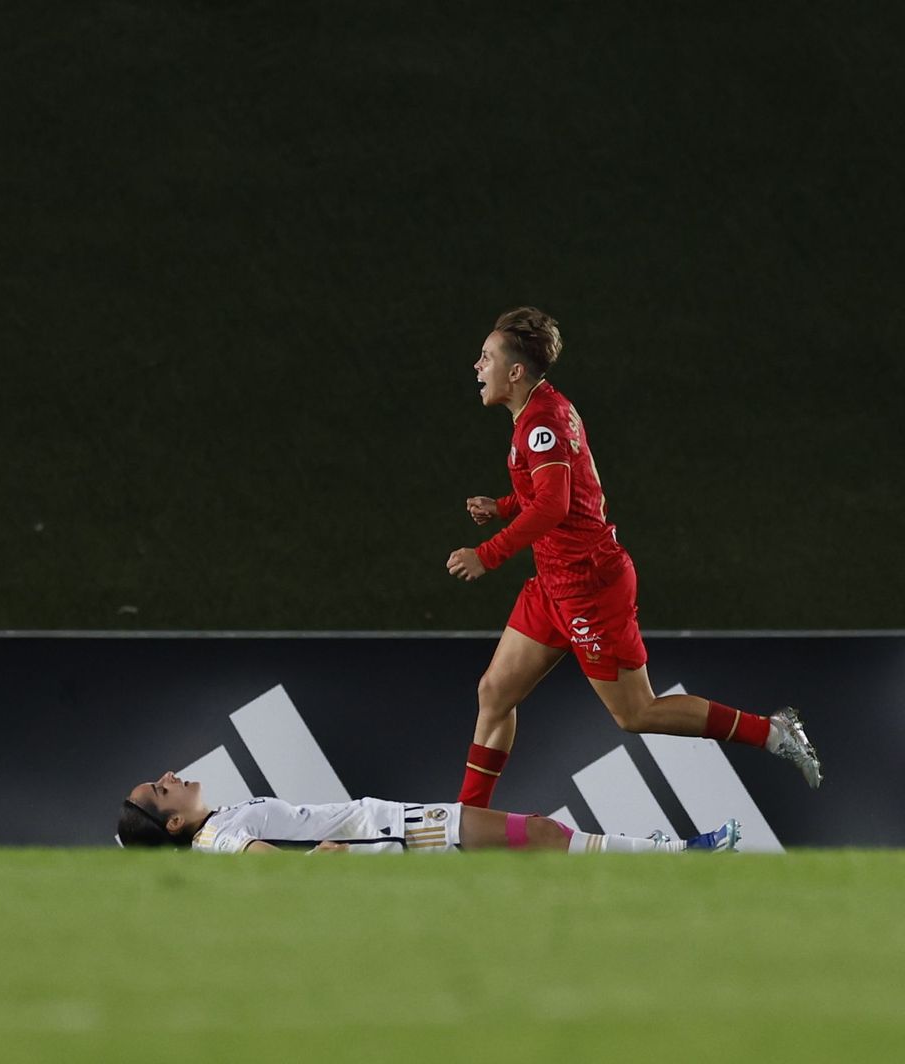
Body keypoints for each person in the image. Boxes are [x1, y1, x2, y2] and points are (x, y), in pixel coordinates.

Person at [446, 308, 821, 810]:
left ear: (515, 372)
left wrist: (487, 555)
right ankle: (467, 823)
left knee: (637, 713)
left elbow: (555, 505)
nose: (477, 365)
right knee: (494, 693)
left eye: (486, 357)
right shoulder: (539, 411)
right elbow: (561, 491)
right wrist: (504, 506)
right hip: (553, 583)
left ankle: (772, 732)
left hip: (589, 586)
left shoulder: (543, 420)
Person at [118, 772, 740, 854]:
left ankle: (657, 854)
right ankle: (678, 855)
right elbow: (260, 868)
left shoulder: (220, 820)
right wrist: (311, 866)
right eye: (162, 791)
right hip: (403, 838)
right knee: (543, 834)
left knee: (542, 840)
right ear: (174, 823)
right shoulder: (217, 840)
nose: (171, 778)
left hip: (392, 825)